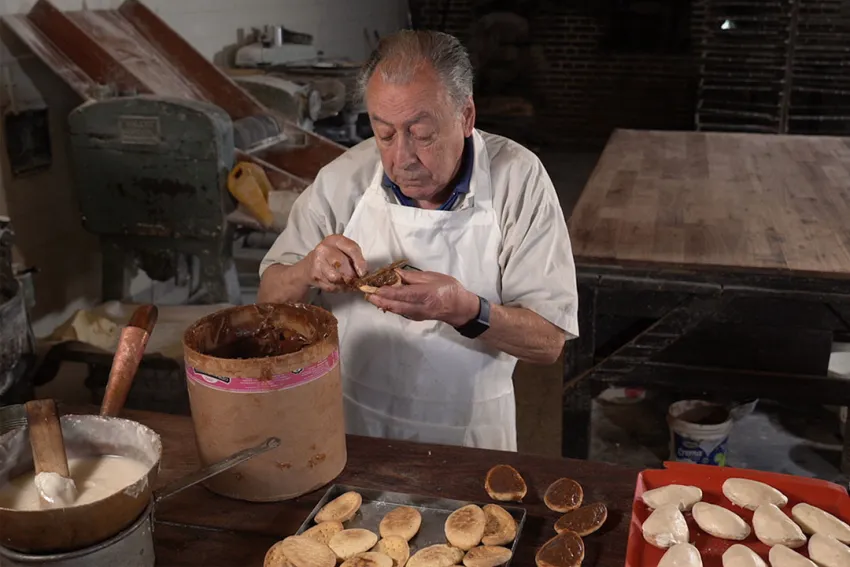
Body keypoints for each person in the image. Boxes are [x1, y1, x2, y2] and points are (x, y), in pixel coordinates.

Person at [258, 29, 578, 452]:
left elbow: (548, 340)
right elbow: (266, 300)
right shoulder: (344, 180)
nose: (401, 157)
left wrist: (466, 310)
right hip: (355, 426)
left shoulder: (517, 179)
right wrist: (306, 270)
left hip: (468, 435)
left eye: (421, 133)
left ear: (466, 117)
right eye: (384, 133)